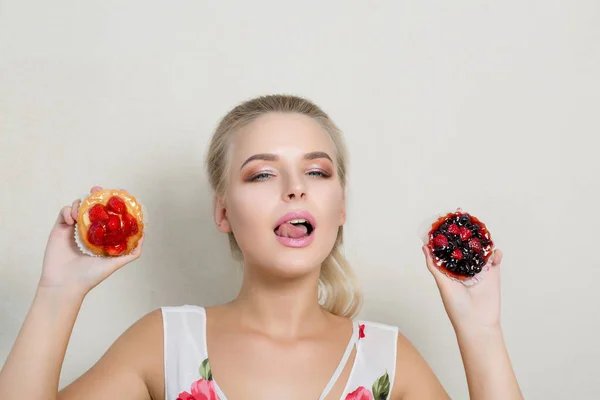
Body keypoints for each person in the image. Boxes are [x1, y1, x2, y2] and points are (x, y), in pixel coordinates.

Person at [0, 94, 523, 400]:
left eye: (317, 171)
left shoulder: (387, 358)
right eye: (263, 173)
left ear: (340, 209)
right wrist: (58, 293)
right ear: (223, 212)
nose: (295, 187)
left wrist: (481, 332)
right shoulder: (164, 342)